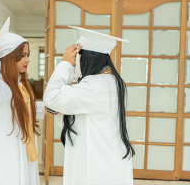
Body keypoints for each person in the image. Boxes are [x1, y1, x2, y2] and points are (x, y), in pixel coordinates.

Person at [43, 26, 134, 185]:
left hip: (96, 163)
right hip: (109, 157)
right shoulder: (114, 82)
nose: (76, 61)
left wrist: (65, 64)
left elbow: (51, 97)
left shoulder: (93, 85)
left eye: (78, 56)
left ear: (87, 58)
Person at [0, 17, 45, 185]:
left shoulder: (16, 84)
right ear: (7, 58)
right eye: (22, 56)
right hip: (4, 156)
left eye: (27, 55)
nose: (27, 60)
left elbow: (24, 105)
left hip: (21, 149)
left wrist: (48, 106)